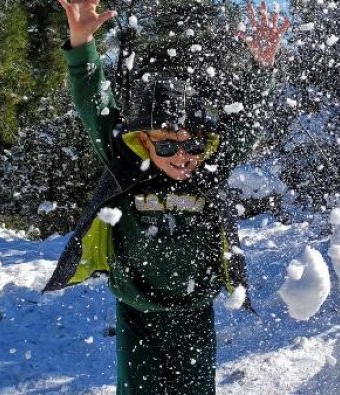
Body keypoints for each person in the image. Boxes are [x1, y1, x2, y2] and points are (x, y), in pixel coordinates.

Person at [42, 1, 290, 393]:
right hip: (137, 311)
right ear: (143, 141)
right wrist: (82, 44)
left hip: (194, 311)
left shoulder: (208, 169)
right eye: (168, 147)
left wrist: (262, 67)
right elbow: (94, 104)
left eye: (191, 144)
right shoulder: (126, 165)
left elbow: (247, 122)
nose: (183, 157)